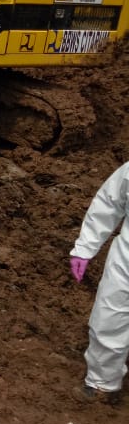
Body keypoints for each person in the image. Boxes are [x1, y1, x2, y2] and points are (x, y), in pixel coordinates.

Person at [69, 160, 129, 403]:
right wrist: (85, 247)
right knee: (108, 318)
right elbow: (110, 202)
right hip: (126, 259)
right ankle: (102, 384)